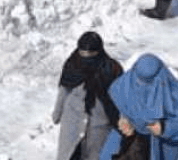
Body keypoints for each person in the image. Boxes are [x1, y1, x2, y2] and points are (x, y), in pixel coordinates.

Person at [99, 54, 178, 160]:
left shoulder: (173, 93)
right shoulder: (125, 83)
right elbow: (115, 105)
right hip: (126, 142)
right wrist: (122, 119)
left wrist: (164, 128)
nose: (141, 84)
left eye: (148, 81)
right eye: (139, 78)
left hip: (158, 145)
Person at [52, 31, 124, 160]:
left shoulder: (112, 69)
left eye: (90, 54)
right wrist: (57, 113)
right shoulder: (73, 64)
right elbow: (64, 89)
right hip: (72, 122)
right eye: (83, 53)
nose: (86, 57)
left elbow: (121, 98)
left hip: (99, 125)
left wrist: (121, 120)